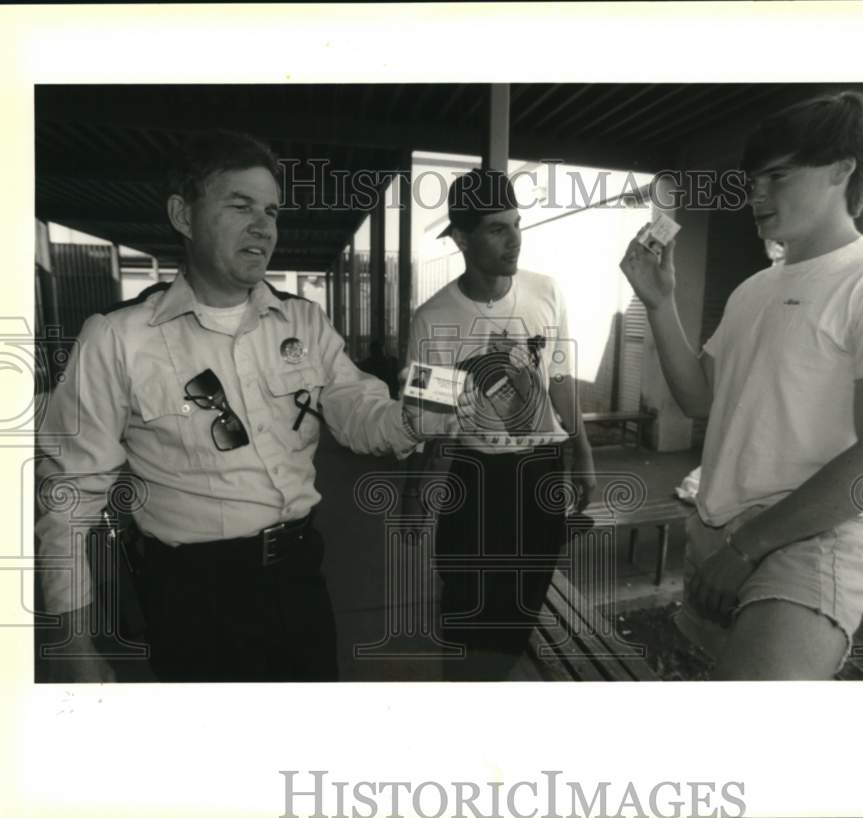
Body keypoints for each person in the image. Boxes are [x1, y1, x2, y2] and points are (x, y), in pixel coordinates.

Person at [34, 129, 460, 683]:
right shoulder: (118, 338)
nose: (264, 226)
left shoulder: (304, 321)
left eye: (272, 211)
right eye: (240, 206)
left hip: (300, 576)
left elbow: (355, 405)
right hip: (192, 597)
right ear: (182, 216)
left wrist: (409, 418)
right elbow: (70, 494)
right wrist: (74, 646)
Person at [619, 91, 863, 680]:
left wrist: (746, 548)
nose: (756, 194)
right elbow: (700, 400)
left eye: (778, 176)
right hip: (719, 531)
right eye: (752, 179)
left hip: (810, 538)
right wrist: (659, 304)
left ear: (844, 170)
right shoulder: (753, 289)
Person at [405, 168, 597, 681]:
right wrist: (419, 495)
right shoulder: (432, 319)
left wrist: (583, 455)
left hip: (540, 471)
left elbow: (560, 380)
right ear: (463, 239)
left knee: (524, 598)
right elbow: (433, 424)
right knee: (467, 601)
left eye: (517, 225)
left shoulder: (545, 292)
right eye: (497, 229)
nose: (515, 240)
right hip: (475, 478)